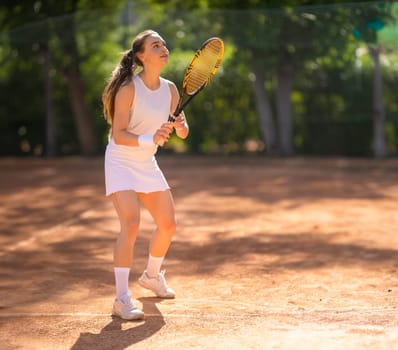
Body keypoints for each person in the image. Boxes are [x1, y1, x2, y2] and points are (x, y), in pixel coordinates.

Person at [102, 29, 189, 320]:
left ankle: (152, 276)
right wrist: (151, 137)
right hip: (121, 160)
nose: (163, 47)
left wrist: (177, 127)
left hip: (146, 163)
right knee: (131, 222)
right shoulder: (128, 88)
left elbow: (184, 129)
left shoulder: (171, 90)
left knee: (168, 224)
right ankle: (121, 298)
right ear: (141, 56)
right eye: (155, 45)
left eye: (163, 43)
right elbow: (119, 134)